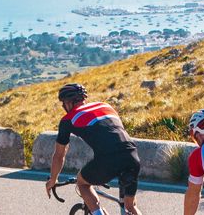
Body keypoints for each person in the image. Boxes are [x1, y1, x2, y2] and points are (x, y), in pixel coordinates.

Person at [43, 83, 143, 215]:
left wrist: (53, 179)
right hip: (132, 156)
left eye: (63, 103)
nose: (63, 107)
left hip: (108, 159)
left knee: (82, 183)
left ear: (69, 103)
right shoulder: (105, 106)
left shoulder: (68, 120)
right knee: (130, 207)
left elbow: (59, 155)